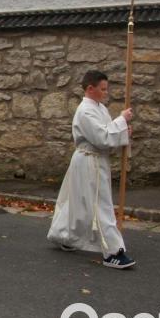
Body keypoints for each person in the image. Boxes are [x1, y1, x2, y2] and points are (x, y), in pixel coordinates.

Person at [46, 70, 136, 269]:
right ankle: (112, 252)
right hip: (89, 161)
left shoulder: (100, 108)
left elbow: (108, 133)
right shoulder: (85, 111)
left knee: (76, 202)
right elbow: (102, 137)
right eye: (102, 89)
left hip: (96, 160)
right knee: (100, 204)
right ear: (90, 88)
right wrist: (121, 121)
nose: (106, 92)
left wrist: (123, 131)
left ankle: (63, 235)